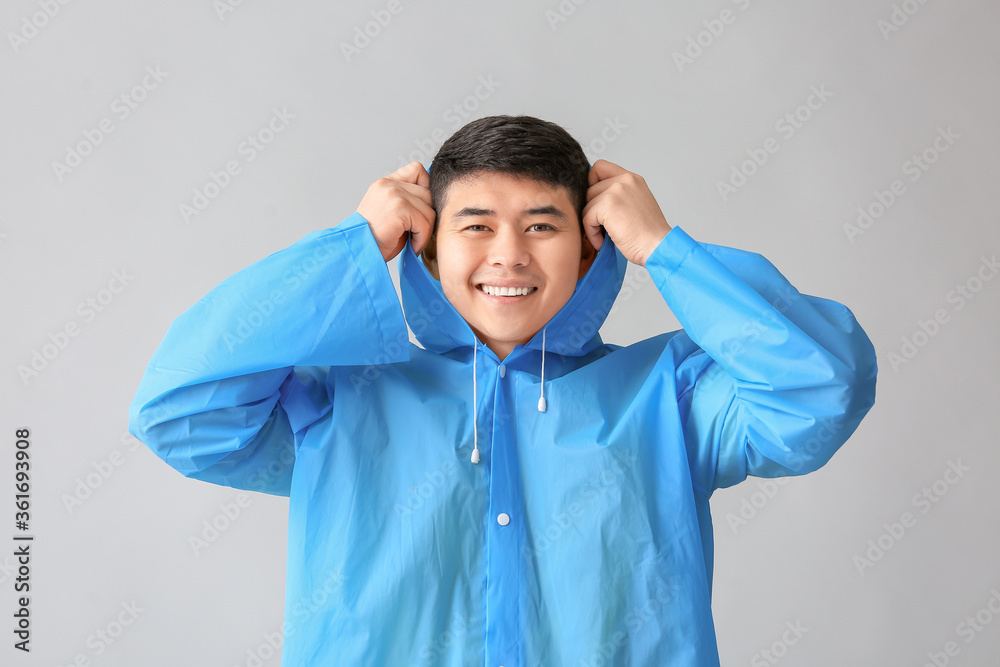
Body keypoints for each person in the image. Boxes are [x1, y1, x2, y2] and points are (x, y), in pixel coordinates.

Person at [129, 115, 877, 666]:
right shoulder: (344, 401)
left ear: (590, 246)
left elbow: (820, 388)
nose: (509, 255)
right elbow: (180, 409)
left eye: (541, 225)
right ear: (426, 242)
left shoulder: (671, 397)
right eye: (477, 225)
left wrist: (664, 247)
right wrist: (355, 242)